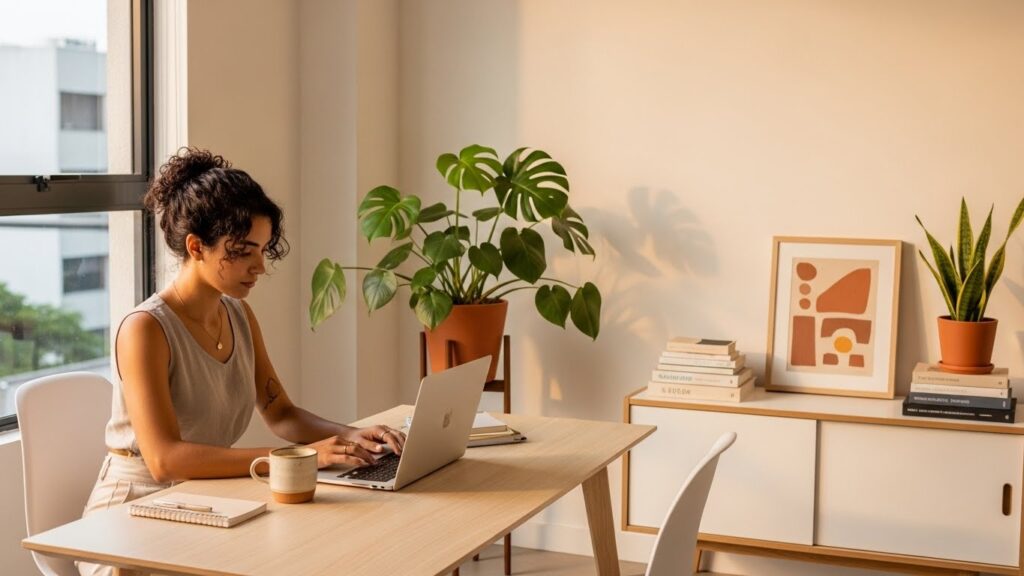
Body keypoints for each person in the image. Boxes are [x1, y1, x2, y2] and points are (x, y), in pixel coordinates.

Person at [78, 147, 405, 576]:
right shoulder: (146, 329)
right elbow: (165, 461)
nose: (259, 267)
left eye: (264, 250)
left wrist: (350, 435)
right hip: (134, 512)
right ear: (196, 247)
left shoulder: (236, 313)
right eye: (244, 251)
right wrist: (303, 455)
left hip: (204, 499)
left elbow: (281, 412)